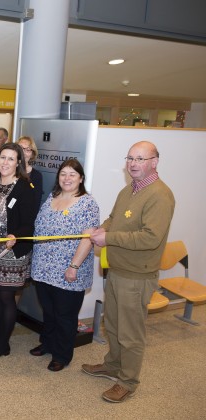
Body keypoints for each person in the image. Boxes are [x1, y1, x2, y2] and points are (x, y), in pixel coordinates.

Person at [84, 141, 174, 403]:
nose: (133, 164)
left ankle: (128, 381)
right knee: (112, 323)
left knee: (130, 332)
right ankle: (113, 365)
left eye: (140, 159)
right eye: (130, 158)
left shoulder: (160, 195)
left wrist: (109, 238)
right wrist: (101, 229)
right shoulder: (130, 190)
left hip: (136, 276)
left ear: (154, 162)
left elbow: (150, 238)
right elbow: (113, 218)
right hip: (117, 269)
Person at [30, 159, 99, 372]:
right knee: (49, 311)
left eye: (72, 174)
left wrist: (74, 267)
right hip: (44, 268)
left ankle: (62, 354)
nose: (67, 178)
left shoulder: (87, 203)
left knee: (65, 314)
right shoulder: (52, 197)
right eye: (63, 174)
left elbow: (88, 238)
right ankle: (48, 343)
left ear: (81, 178)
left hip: (68, 269)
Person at [0, 142, 36, 359]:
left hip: (12, 252)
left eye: (11, 159)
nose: (6, 162)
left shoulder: (24, 187)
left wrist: (15, 235)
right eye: (3, 157)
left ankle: (3, 344)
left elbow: (30, 223)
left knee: (6, 298)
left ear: (19, 162)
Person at [18, 135, 44, 213]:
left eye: (28, 150)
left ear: (32, 154)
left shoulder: (36, 176)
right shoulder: (7, 170)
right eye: (21, 148)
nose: (23, 152)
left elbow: (35, 204)